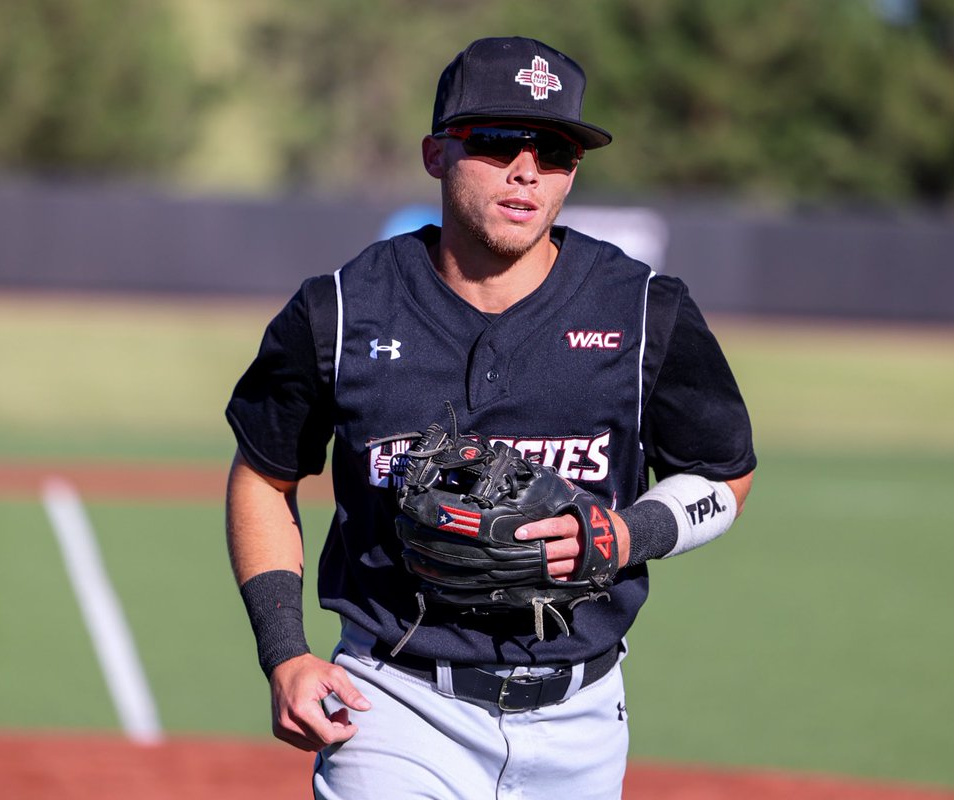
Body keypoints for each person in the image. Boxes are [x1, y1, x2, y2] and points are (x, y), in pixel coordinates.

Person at [225, 36, 756, 799]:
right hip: (395, 703)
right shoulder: (339, 311)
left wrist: (627, 533)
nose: (527, 169)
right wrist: (284, 650)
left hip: (583, 720)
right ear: (436, 153)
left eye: (557, 150)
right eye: (500, 140)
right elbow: (264, 476)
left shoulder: (642, 309)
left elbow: (723, 476)